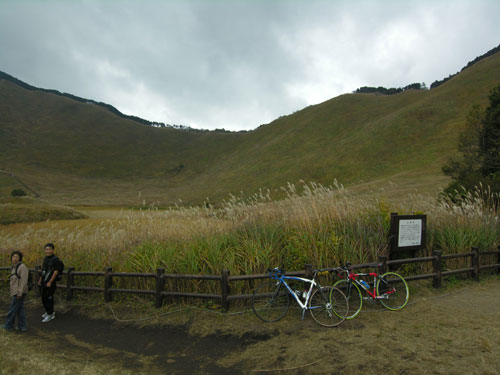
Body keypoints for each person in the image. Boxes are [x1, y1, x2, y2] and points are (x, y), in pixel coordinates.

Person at [3, 250, 29, 332]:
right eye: (13, 256)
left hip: (19, 292)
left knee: (12, 309)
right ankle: (22, 326)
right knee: (19, 309)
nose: (15, 258)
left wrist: (20, 292)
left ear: (20, 258)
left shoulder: (22, 267)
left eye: (17, 257)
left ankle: (8, 326)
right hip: (15, 291)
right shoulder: (14, 267)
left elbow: (23, 281)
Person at [38, 243, 63, 323]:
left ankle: (50, 314)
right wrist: (40, 279)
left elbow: (56, 272)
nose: (48, 251)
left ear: (52, 250)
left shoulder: (55, 259)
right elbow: (43, 270)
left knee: (49, 298)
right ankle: (48, 311)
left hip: (50, 282)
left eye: (49, 249)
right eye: (46, 249)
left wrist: (50, 281)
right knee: (43, 297)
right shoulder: (46, 258)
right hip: (44, 281)